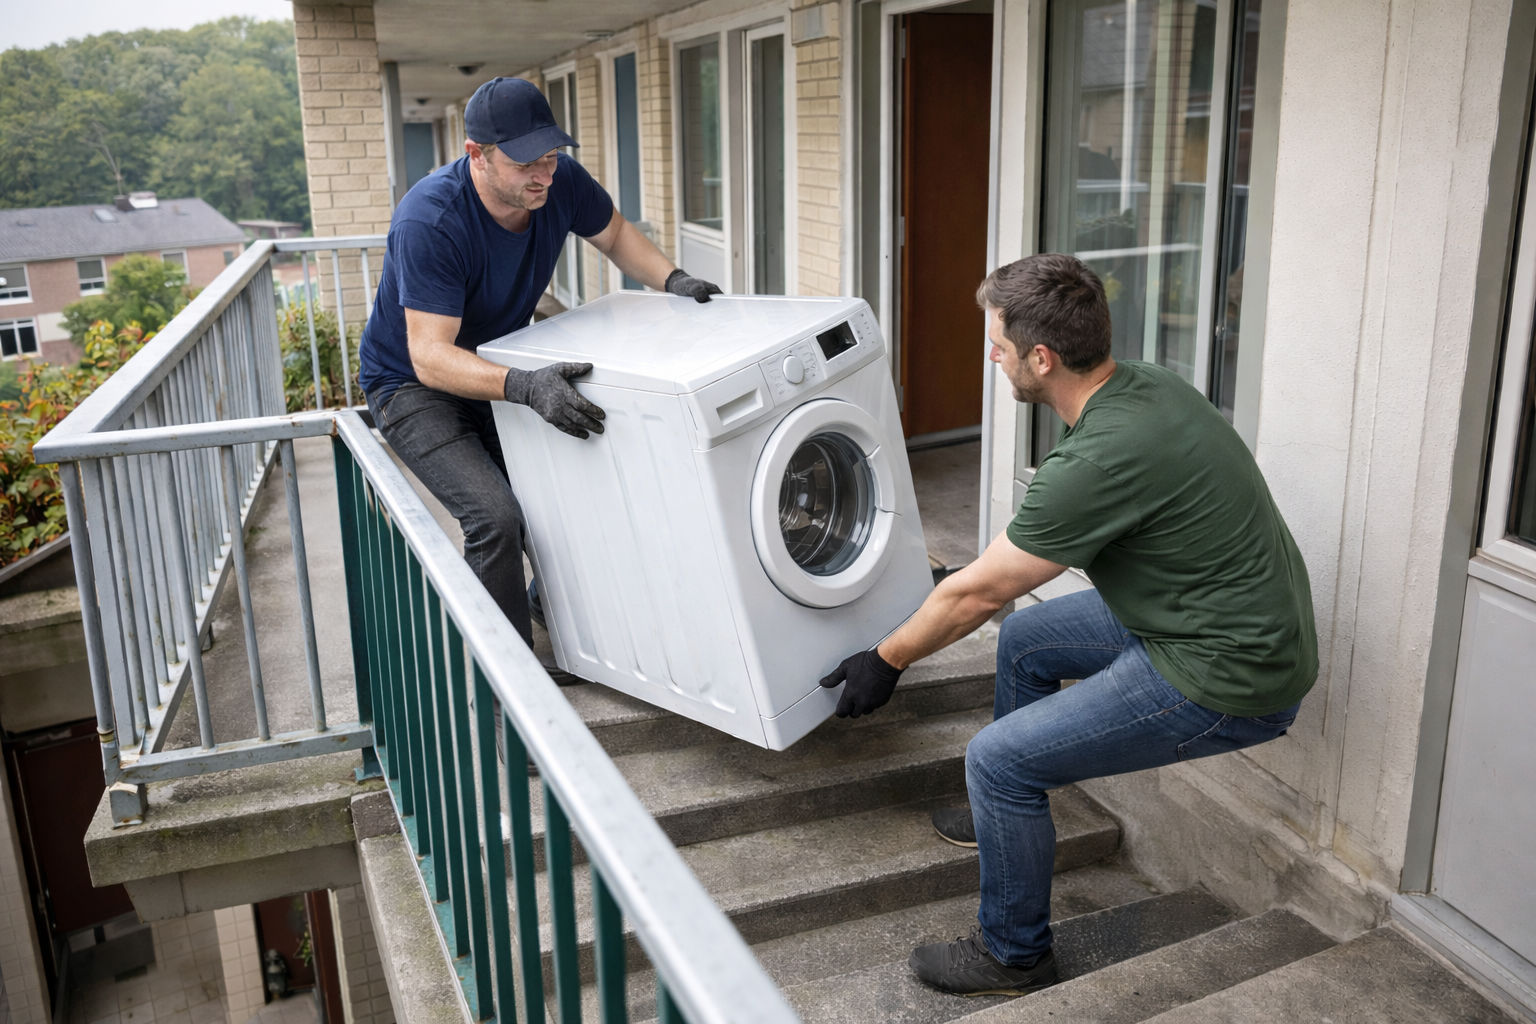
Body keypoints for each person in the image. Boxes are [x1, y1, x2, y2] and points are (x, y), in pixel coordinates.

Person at [818, 253, 1317, 996]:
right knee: (1028, 641)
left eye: (999, 344)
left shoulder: (1099, 459)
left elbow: (979, 594)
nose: (992, 356)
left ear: (1042, 358)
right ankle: (1006, 822)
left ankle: (1013, 955)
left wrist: (885, 659)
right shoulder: (1146, 386)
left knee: (997, 760)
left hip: (1228, 670)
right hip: (1216, 616)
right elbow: (996, 579)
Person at [358, 76, 721, 642]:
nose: (543, 175)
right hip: (412, 384)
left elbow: (615, 234)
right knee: (496, 518)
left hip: (500, 363)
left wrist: (674, 279)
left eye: (550, 156)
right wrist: (526, 387)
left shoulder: (560, 182)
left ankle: (556, 620)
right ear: (476, 154)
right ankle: (509, 676)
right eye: (525, 162)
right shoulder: (431, 221)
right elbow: (429, 356)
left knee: (568, 497)